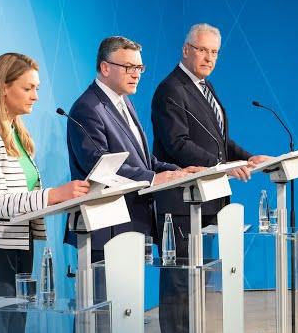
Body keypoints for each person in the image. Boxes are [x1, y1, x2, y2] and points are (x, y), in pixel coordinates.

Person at [0, 52, 90, 333]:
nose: (36, 96)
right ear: (3, 87)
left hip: (17, 248)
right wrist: (55, 194)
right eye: (28, 88)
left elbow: (22, 198)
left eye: (37, 88)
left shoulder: (16, 132)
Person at [151, 22, 270, 333]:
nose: (208, 57)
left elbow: (220, 141)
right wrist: (225, 168)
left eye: (214, 52)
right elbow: (177, 145)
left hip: (206, 200)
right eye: (202, 50)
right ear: (186, 49)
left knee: (196, 282)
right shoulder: (170, 89)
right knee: (178, 285)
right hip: (180, 201)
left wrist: (247, 157)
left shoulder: (206, 86)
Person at [64, 36, 202, 268]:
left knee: (128, 304)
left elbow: (143, 159)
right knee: (106, 302)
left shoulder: (124, 101)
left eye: (139, 67)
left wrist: (178, 172)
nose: (136, 73)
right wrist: (152, 178)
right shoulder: (87, 108)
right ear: (105, 68)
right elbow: (99, 166)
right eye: (128, 67)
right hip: (106, 230)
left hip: (132, 224)